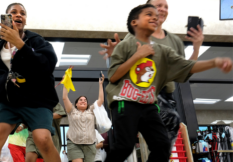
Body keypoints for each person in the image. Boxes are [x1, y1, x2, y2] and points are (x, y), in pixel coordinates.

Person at [104, 4, 232, 162]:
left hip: (149, 104)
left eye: (156, 15)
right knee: (125, 146)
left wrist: (215, 62)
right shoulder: (125, 45)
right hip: (125, 101)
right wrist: (137, 56)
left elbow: (187, 66)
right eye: (149, 14)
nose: (154, 17)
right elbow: (114, 77)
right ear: (134, 23)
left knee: (162, 145)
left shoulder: (164, 50)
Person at [100, 0, 204, 152]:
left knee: (163, 147)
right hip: (142, 95)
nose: (162, 9)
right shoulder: (134, 37)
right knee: (135, 144)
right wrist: (116, 54)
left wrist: (196, 48)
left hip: (167, 97)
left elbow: (185, 70)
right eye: (157, 6)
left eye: (165, 6)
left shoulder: (174, 41)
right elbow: (125, 69)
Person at [0, 3, 60, 162]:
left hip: (37, 100)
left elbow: (47, 65)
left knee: (42, 139)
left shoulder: (36, 41)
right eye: (13, 13)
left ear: (25, 20)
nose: (19, 15)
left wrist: (20, 44)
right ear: (6, 18)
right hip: (10, 102)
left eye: (22, 13)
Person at [62, 73, 105, 162]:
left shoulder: (91, 110)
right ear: (76, 104)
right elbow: (65, 97)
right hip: (74, 144)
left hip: (90, 145)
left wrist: (100, 84)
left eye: (85, 100)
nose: (83, 101)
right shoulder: (72, 110)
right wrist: (66, 82)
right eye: (80, 100)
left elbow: (101, 100)